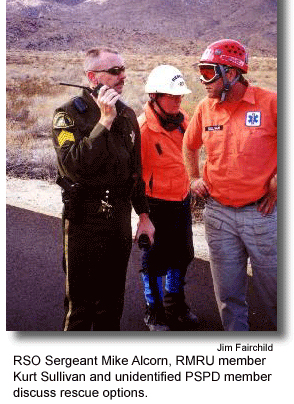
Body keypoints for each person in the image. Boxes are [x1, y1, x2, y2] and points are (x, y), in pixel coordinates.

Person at [52, 47, 154, 331]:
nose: (122, 76)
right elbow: (73, 166)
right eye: (114, 71)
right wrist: (103, 121)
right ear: (92, 77)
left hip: (119, 221)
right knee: (80, 308)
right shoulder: (68, 115)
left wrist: (143, 216)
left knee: (112, 304)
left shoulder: (127, 114)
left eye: (123, 69)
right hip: (84, 221)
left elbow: (135, 171)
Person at [183, 39, 277, 331]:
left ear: (232, 74)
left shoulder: (270, 102)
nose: (202, 80)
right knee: (228, 296)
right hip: (218, 215)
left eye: (209, 72)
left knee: (277, 293)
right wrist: (193, 178)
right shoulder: (205, 108)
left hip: (261, 214)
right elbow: (189, 146)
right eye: (201, 71)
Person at [138, 65, 198, 331]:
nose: (178, 101)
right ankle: (155, 310)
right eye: (172, 96)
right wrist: (143, 215)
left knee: (182, 255)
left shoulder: (183, 119)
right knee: (153, 261)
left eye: (180, 96)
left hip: (181, 200)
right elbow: (134, 175)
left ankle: (175, 303)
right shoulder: (142, 130)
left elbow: (190, 154)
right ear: (154, 96)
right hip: (155, 205)